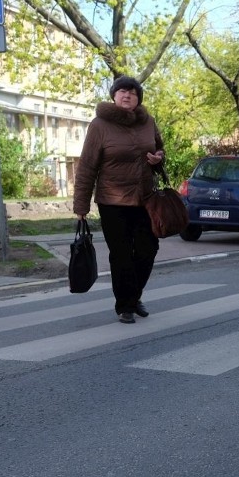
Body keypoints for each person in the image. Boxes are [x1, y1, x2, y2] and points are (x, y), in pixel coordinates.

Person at [73, 75, 165, 324]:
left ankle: (133, 297)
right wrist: (81, 205)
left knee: (148, 249)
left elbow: (159, 150)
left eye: (133, 93)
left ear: (138, 99)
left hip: (145, 199)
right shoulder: (100, 125)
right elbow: (87, 167)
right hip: (112, 201)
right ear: (114, 96)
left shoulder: (148, 122)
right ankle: (125, 305)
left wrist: (158, 158)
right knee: (121, 254)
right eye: (122, 91)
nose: (127, 95)